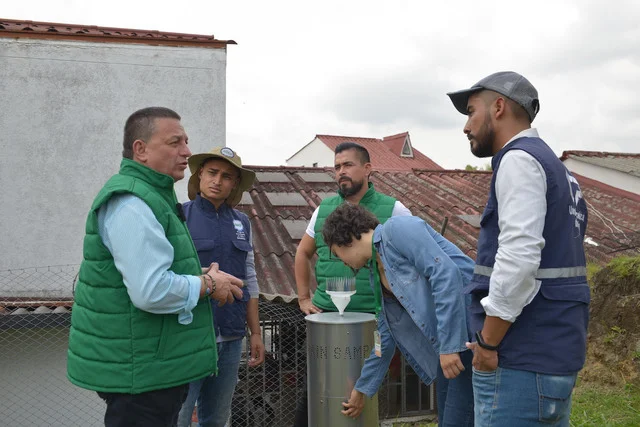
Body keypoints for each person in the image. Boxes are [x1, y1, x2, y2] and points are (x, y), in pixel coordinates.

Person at [67, 107, 244, 427]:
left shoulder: (152, 197)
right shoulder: (132, 203)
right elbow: (150, 290)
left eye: (186, 141)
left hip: (150, 364)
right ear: (141, 149)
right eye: (175, 142)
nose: (187, 151)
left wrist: (201, 276)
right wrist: (208, 285)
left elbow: (151, 271)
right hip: (142, 372)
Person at [447, 71, 590, 426]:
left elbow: (519, 258)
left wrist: (489, 343)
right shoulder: (557, 170)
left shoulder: (518, 160)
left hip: (519, 360)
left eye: (470, 111)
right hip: (554, 356)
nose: (466, 126)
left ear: (498, 107)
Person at [322, 203, 475, 426]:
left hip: (469, 333)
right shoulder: (377, 275)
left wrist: (451, 346)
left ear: (344, 239)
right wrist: (362, 388)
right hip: (448, 348)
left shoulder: (397, 229)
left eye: (338, 254)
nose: (344, 263)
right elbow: (384, 338)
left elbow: (446, 273)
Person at [293, 142, 412, 426]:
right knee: (319, 396)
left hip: (373, 323)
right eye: (336, 167)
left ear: (368, 169)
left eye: (348, 165)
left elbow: (413, 259)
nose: (341, 172)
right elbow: (302, 253)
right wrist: (303, 298)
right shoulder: (324, 208)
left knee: (364, 401)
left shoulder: (393, 209)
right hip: (326, 320)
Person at [177, 147, 265, 427]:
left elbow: (249, 279)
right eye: (212, 173)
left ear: (234, 184)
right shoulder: (179, 216)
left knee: (215, 419)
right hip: (188, 338)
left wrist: (255, 333)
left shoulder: (242, 222)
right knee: (178, 418)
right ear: (200, 174)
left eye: (227, 176)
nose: (218, 181)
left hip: (230, 338)